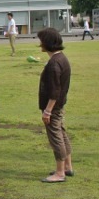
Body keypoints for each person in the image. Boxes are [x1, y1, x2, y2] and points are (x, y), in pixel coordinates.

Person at [38, 28, 73, 183]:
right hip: (59, 105)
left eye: (42, 41)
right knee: (62, 133)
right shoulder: (62, 59)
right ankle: (67, 166)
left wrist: (47, 111)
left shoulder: (54, 63)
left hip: (54, 106)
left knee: (56, 137)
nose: (40, 44)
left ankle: (60, 172)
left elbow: (54, 91)